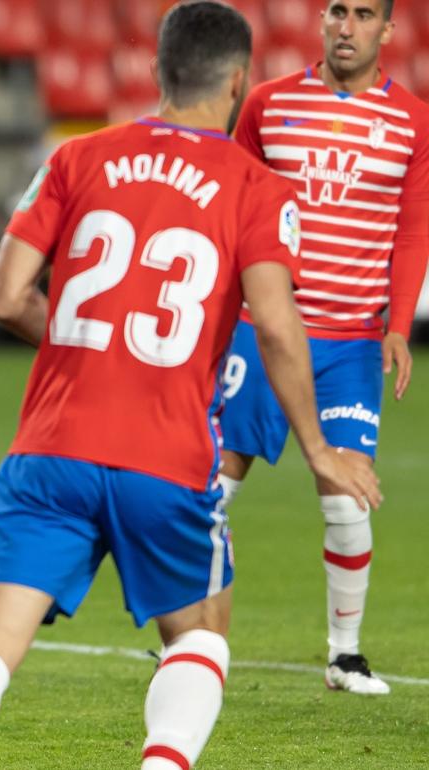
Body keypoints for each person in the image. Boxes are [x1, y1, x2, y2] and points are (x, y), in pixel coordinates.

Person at [0, 4, 382, 769]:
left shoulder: (77, 158)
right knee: (198, 639)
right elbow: (275, 324)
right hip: (166, 456)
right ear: (238, 81)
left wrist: (90, 350)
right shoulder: (256, 186)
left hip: (51, 451)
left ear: (161, 72)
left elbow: (4, 296)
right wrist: (319, 449)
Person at [216, 0, 429, 695]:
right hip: (261, 327)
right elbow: (232, 211)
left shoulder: (414, 122)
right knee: (211, 486)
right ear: (321, 21)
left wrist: (398, 325)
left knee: (346, 499)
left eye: (364, 13)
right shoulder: (268, 106)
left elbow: (412, 230)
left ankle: (345, 655)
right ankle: (191, 639)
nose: (346, 25)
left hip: (350, 342)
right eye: (336, 10)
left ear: (388, 31)